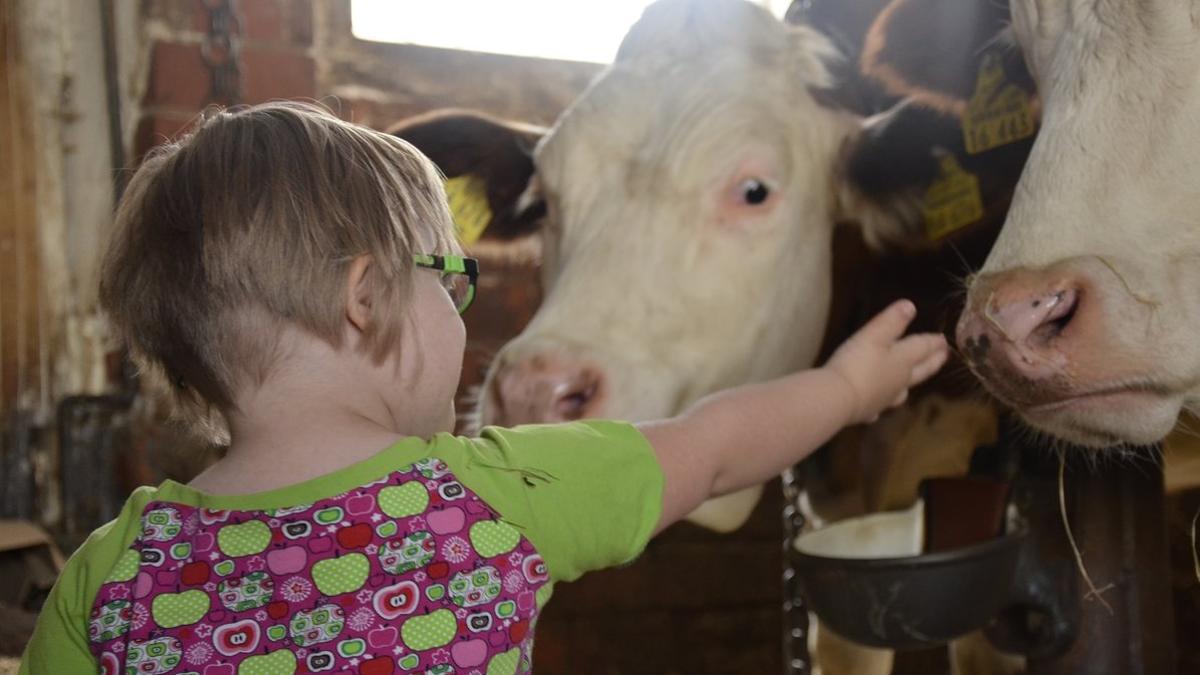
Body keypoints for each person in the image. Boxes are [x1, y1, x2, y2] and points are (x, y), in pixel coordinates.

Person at [19, 101, 947, 674]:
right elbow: (714, 450)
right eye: (452, 278)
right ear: (366, 299)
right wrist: (845, 385)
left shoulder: (111, 572)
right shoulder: (488, 499)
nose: (464, 311)